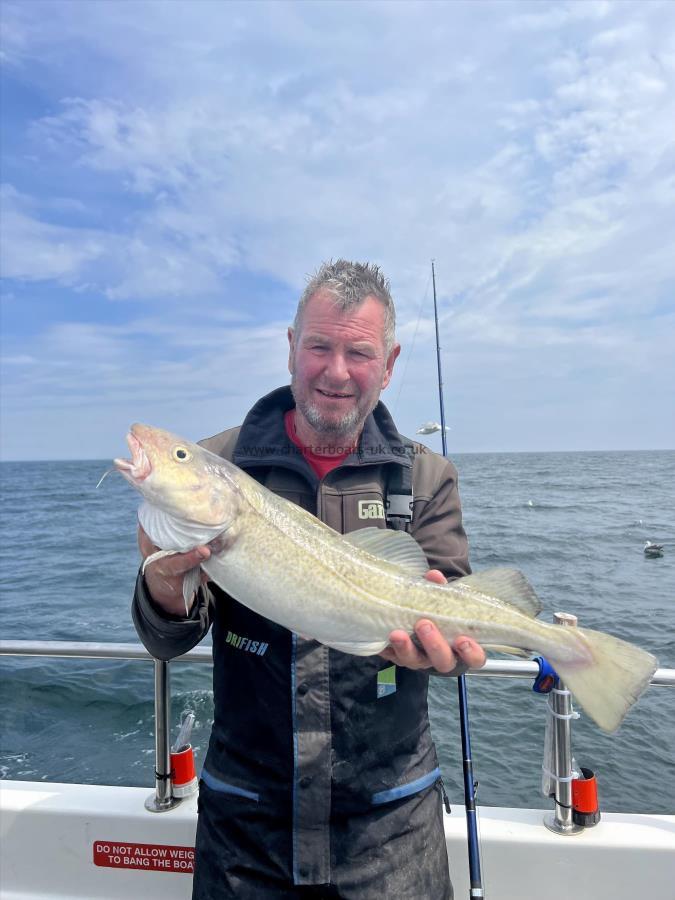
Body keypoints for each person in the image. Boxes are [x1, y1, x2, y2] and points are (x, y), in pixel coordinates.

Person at [132, 260, 485, 899]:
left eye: (359, 352)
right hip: (247, 823)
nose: (336, 371)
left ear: (390, 362)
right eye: (319, 346)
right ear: (292, 347)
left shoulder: (427, 477)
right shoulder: (226, 464)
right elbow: (167, 641)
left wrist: (446, 652)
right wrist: (164, 581)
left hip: (389, 823)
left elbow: (452, 619)